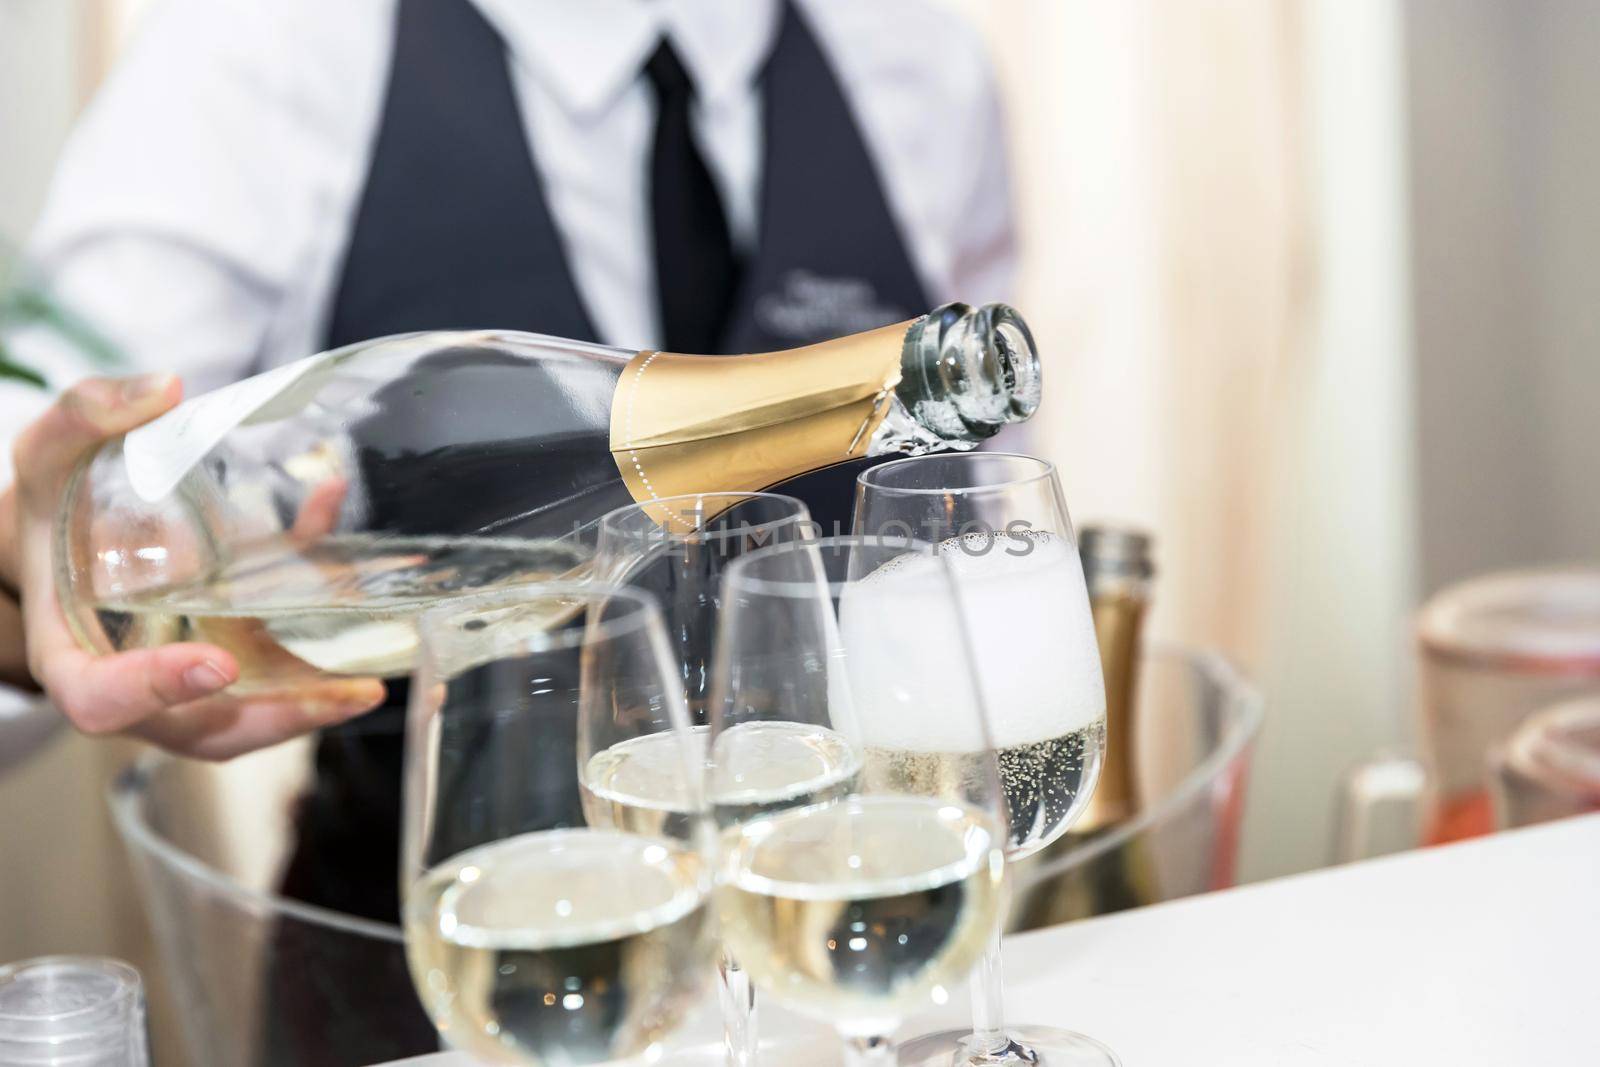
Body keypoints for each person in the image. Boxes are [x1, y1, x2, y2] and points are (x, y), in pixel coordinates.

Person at [1, 0, 1015, 1057]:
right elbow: (64, 462)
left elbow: (962, 504)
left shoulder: (915, 58)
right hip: (446, 977)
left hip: (851, 948)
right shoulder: (269, 47)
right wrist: (35, 574)